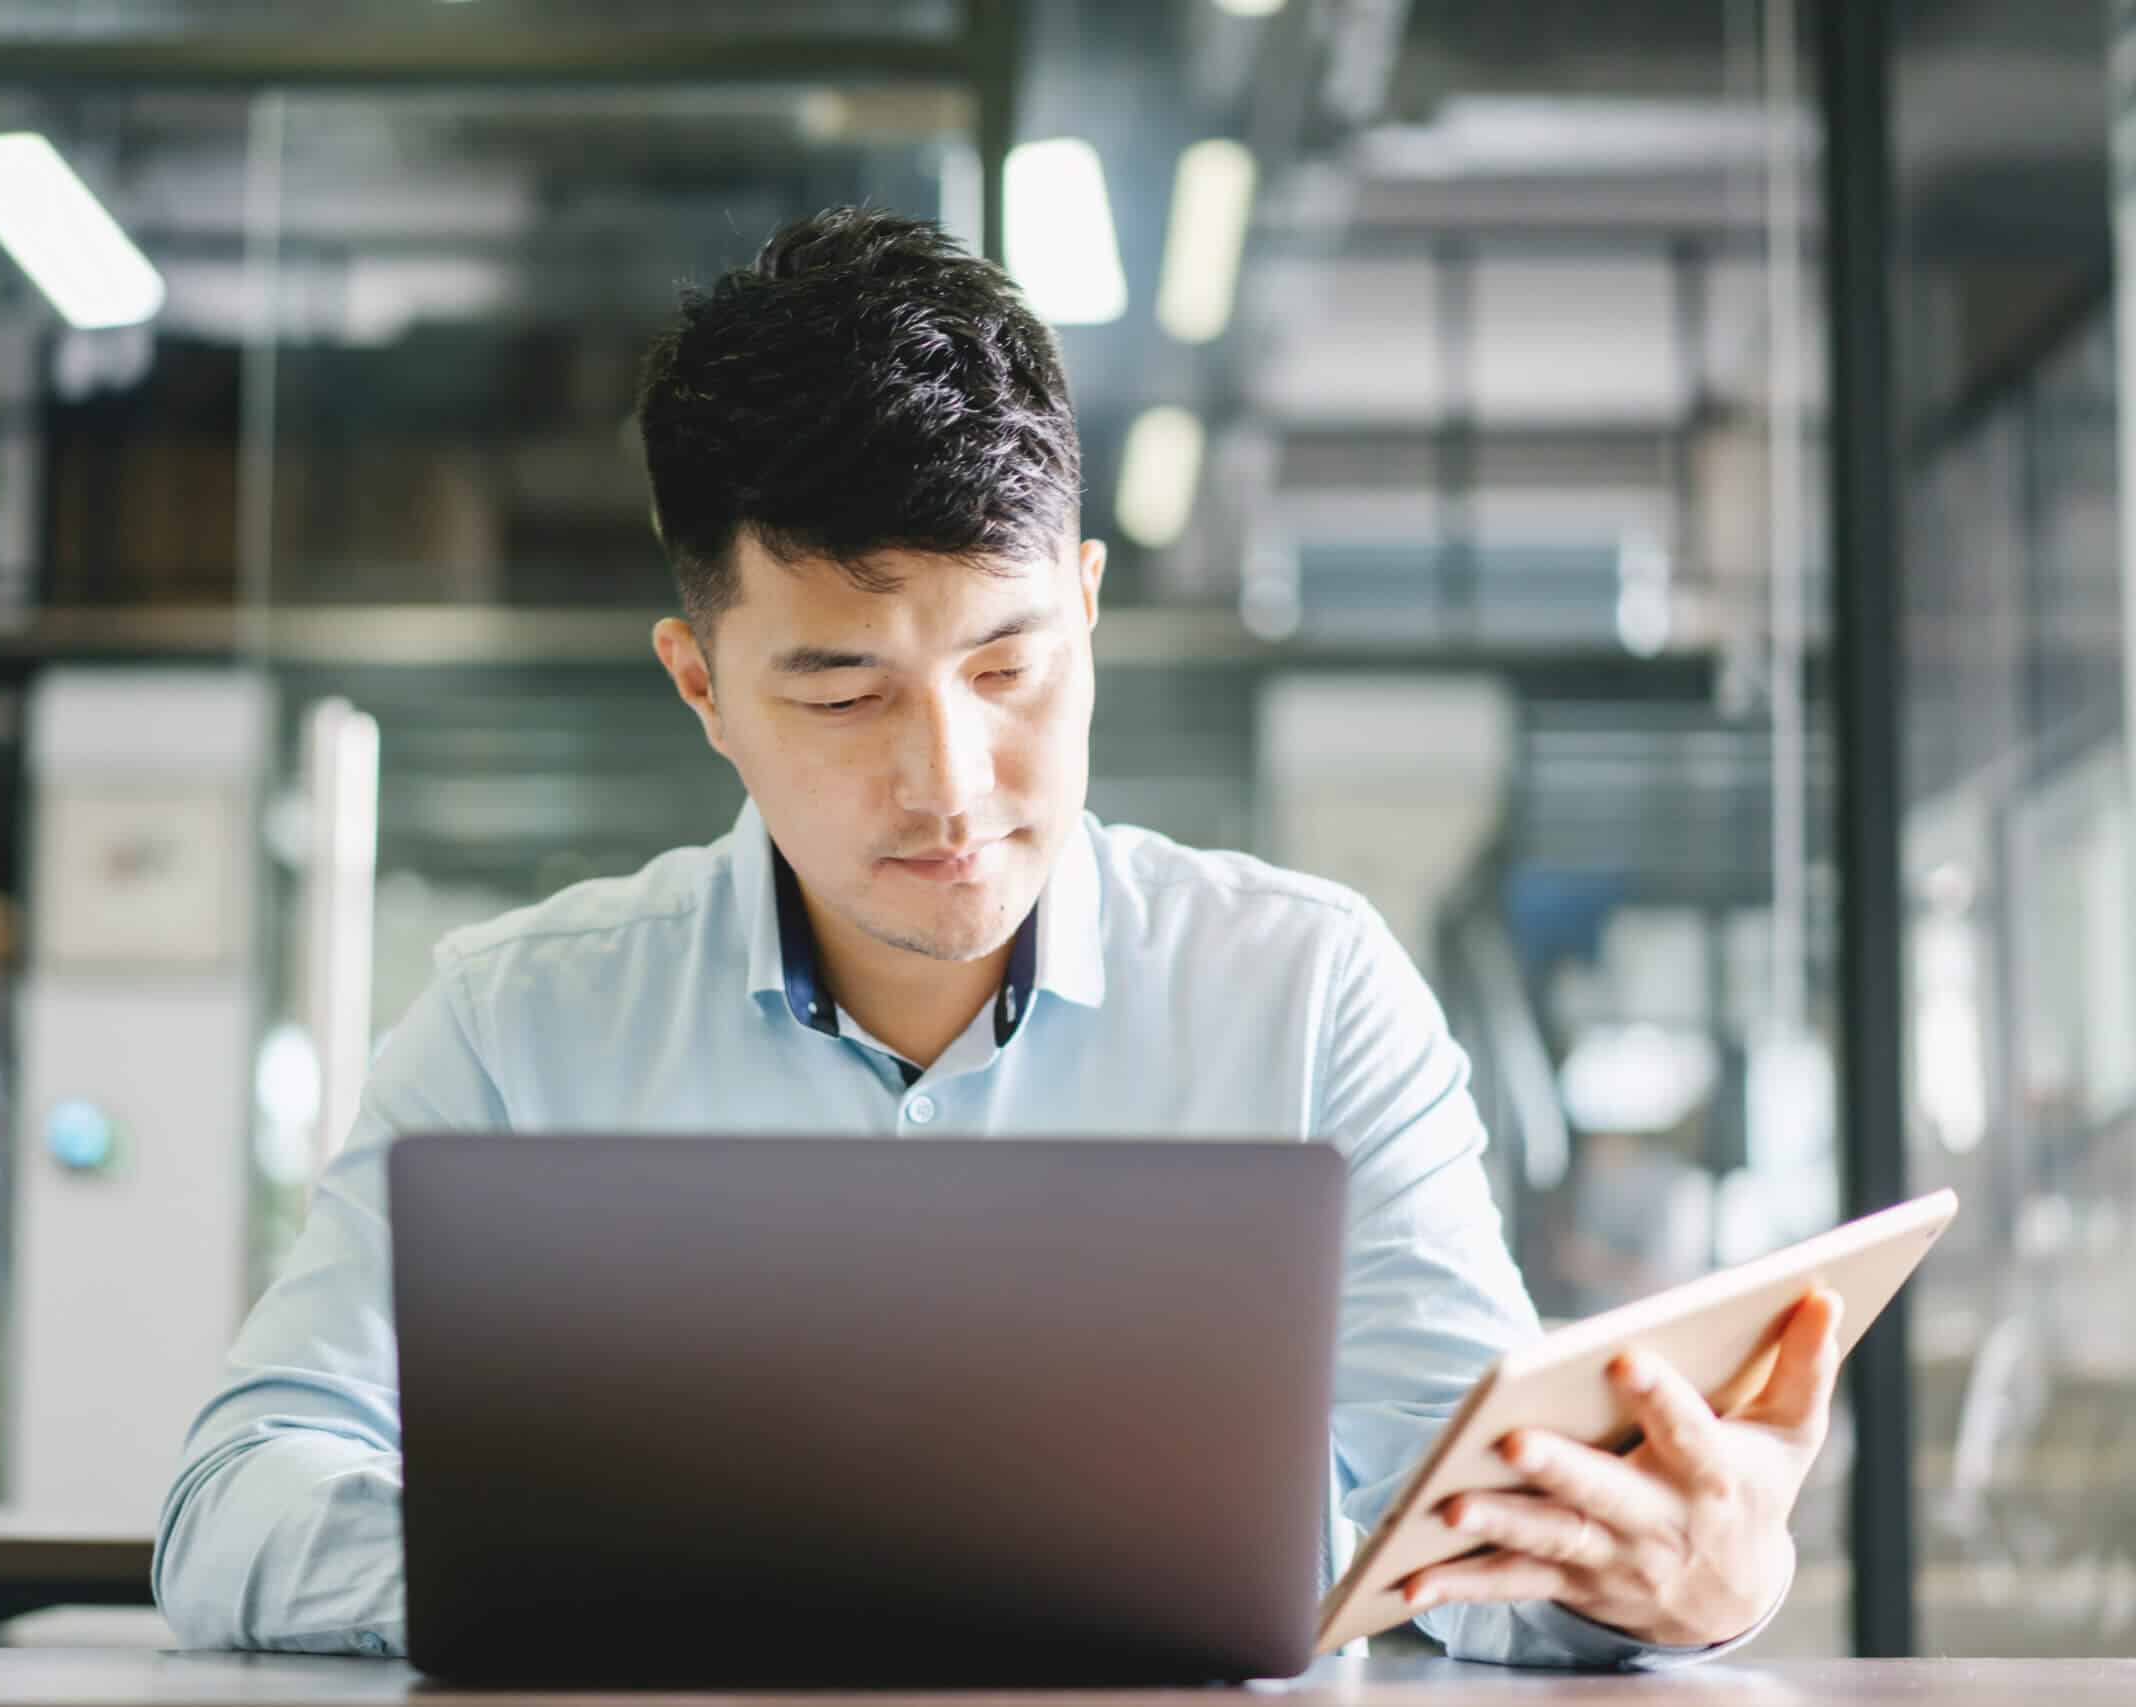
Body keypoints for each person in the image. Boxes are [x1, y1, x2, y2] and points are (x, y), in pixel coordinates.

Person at [154, 207, 1841, 1669]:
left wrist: (1697, 1578)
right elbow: (234, 1505)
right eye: (840, 686)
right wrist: (654, 1573)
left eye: (1011, 669)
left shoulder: (1305, 997)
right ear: (701, 686)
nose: (951, 785)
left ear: (1090, 607)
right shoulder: (521, 1031)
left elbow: (1482, 1543)